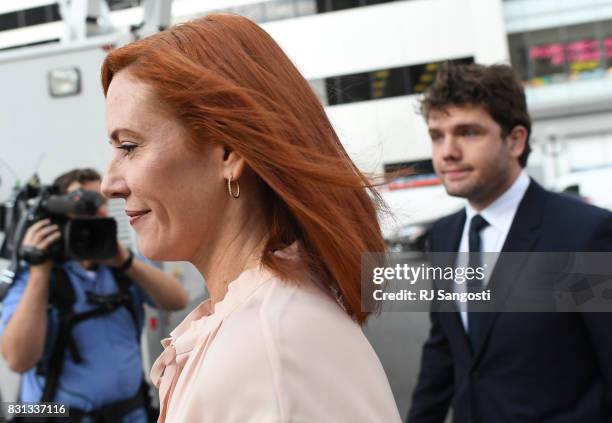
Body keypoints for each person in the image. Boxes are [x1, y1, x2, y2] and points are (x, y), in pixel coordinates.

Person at [100, 13, 402, 423]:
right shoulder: (260, 327)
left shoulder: (270, 344)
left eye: (130, 146)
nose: (109, 184)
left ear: (229, 152)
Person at [406, 63, 612, 423]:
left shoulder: (584, 235)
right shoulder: (445, 235)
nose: (447, 152)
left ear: (515, 140)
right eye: (437, 136)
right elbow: (444, 352)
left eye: (467, 133)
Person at [0, 168, 188, 422]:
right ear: (59, 214)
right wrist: (39, 272)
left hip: (132, 414)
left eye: (99, 202)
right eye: (81, 203)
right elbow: (18, 360)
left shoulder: (122, 266)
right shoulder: (34, 274)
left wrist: (124, 262)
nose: (93, 211)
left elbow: (177, 301)